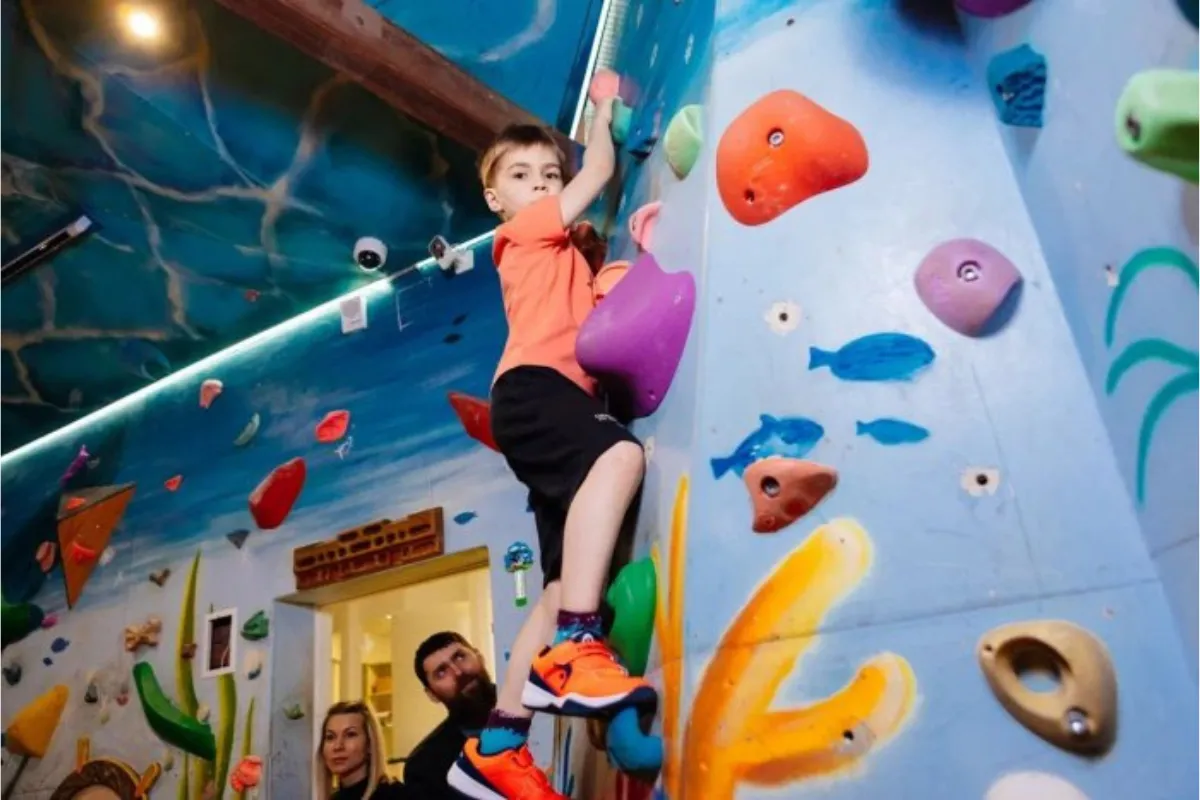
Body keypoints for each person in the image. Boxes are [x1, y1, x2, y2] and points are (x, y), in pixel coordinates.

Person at [446, 99, 655, 800]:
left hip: (547, 404)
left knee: (562, 584)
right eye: (522, 175)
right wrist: (600, 117)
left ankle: (499, 743)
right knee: (621, 457)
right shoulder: (524, 232)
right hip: (536, 391)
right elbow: (596, 171)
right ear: (495, 199)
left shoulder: (561, 256)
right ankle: (576, 643)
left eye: (548, 175)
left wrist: (601, 269)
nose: (539, 184)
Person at [404, 632, 499, 799]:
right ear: (432, 694)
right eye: (441, 672)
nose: (458, 672)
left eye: (460, 657)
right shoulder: (425, 767)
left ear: (480, 657)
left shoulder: (538, 706)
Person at [316, 700, 409, 800]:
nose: (338, 746)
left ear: (369, 743)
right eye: (330, 737)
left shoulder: (395, 795)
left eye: (350, 734)